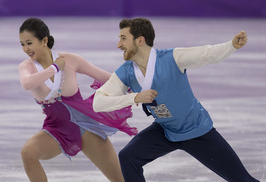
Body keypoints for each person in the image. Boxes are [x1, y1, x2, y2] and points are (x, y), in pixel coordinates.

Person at [93, 18, 259, 181]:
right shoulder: (126, 72)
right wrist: (134, 97)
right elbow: (98, 103)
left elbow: (207, 54)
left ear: (140, 40)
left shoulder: (171, 58)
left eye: (123, 39)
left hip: (197, 131)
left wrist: (231, 46)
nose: (118, 45)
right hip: (165, 130)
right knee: (128, 156)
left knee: (242, 179)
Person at [18, 17, 137, 182]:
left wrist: (135, 89)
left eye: (29, 43)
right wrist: (55, 68)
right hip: (57, 129)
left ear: (44, 40)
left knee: (119, 180)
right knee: (28, 153)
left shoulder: (71, 60)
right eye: (22, 44)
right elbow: (26, 83)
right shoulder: (27, 67)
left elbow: (107, 78)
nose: (25, 49)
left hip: (86, 125)